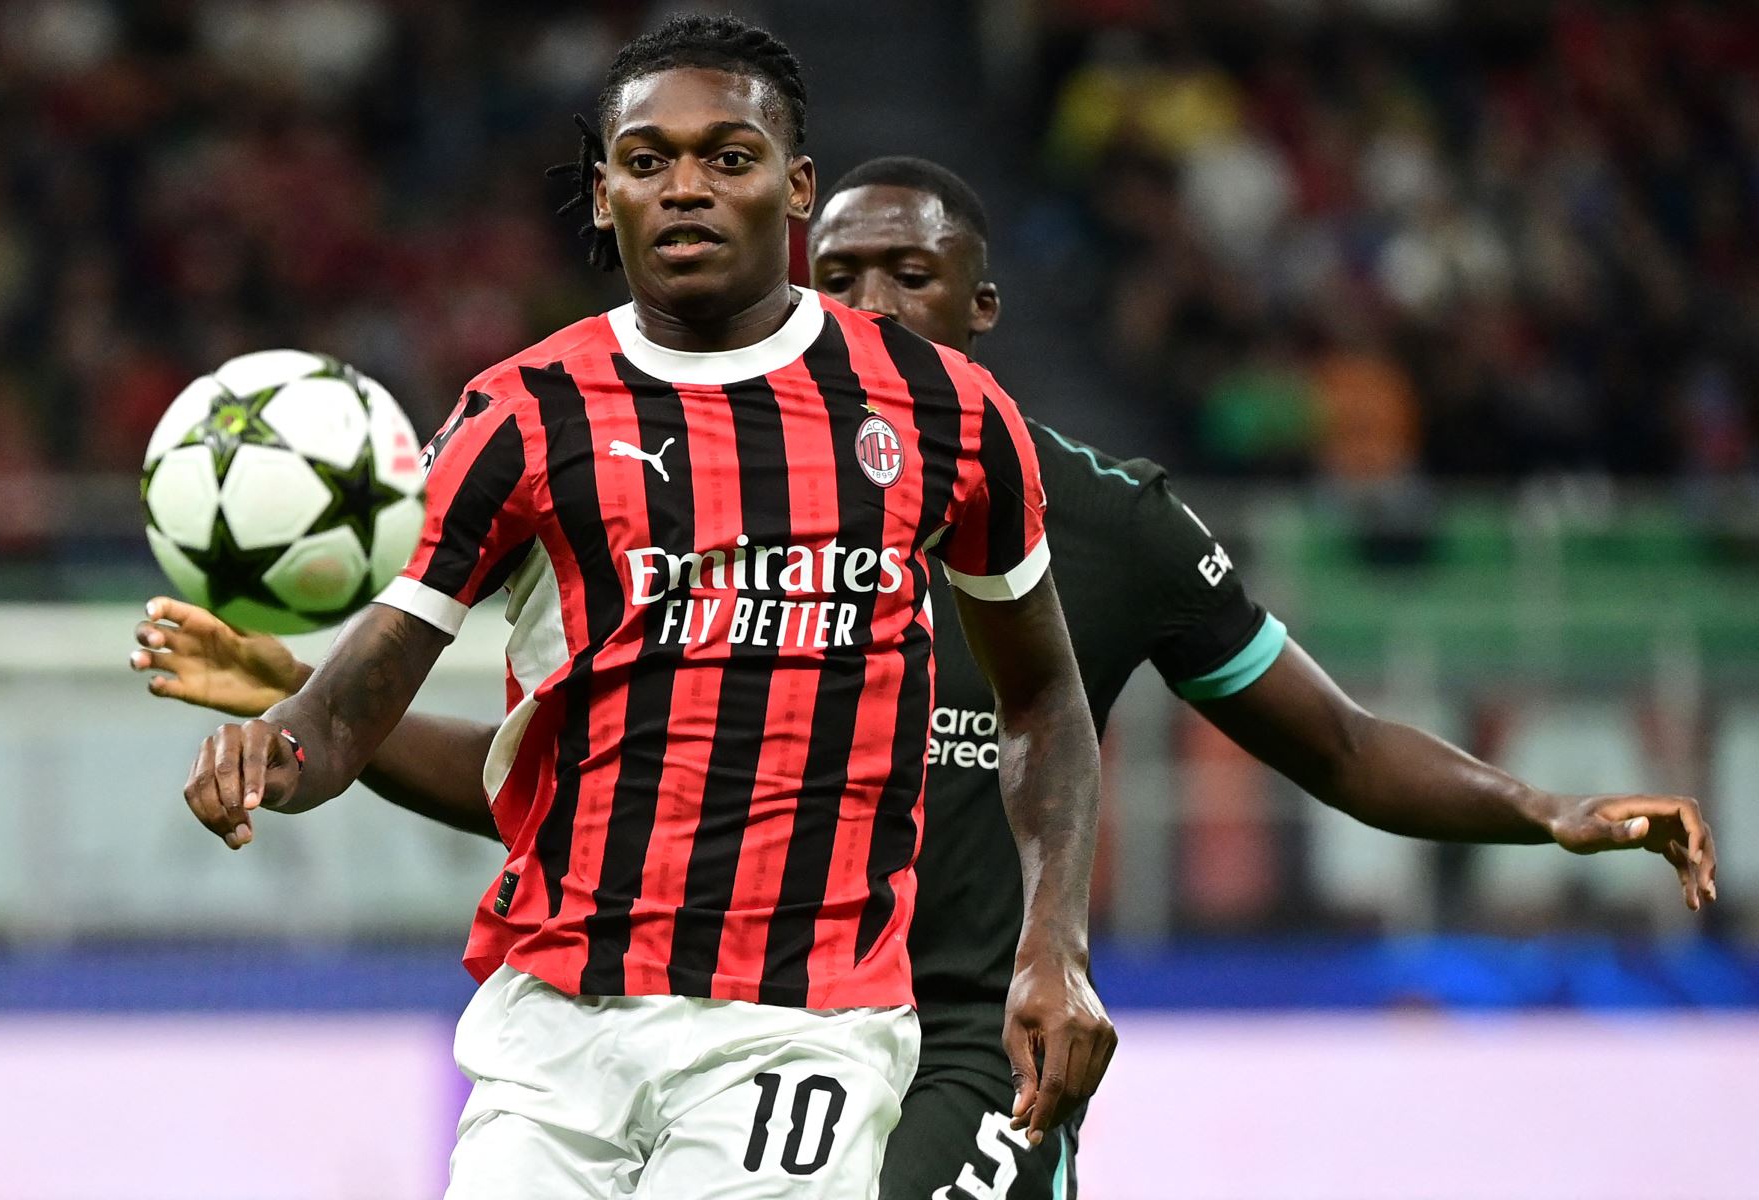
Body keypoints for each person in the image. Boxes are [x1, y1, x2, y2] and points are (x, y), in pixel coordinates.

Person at [140, 156, 1718, 1198]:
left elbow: (1342, 746)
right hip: (747, 1015)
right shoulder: (718, 510)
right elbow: (561, 800)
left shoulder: (1113, 524)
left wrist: (1550, 812)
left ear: (983, 309)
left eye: (909, 277)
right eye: (842, 277)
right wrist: (302, 700)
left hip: (968, 1037)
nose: (871, 307)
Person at [167, 21, 1115, 1200]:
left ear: (796, 187)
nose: (686, 188)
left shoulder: (942, 412)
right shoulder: (520, 415)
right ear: (604, 190)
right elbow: (366, 691)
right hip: (554, 1017)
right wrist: (276, 748)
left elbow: (1045, 698)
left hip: (802, 1023)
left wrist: (1053, 946)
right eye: (647, 158)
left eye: (729, 157)